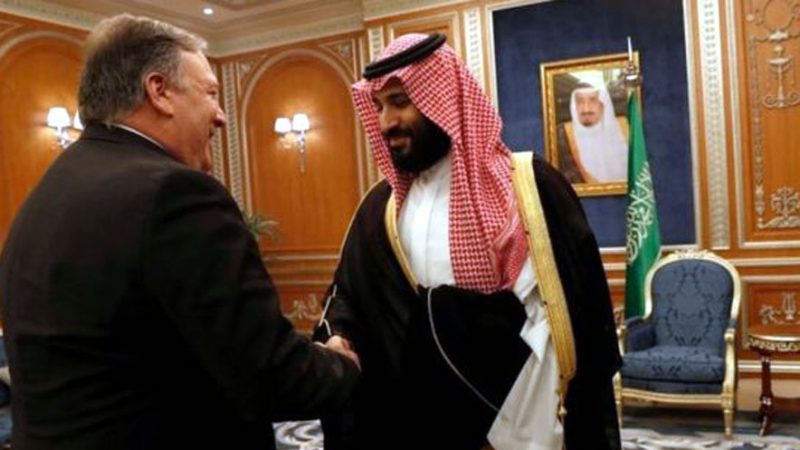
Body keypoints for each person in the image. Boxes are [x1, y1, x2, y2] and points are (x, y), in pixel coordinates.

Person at [0, 14, 359, 450]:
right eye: (210, 93)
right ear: (159, 91)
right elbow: (270, 375)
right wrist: (340, 365)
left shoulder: (49, 191)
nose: (221, 116)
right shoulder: (175, 194)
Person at [315, 33, 621, 450]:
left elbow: (566, 320)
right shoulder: (380, 207)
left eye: (400, 101)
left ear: (444, 99)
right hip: (414, 419)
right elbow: (349, 293)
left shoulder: (528, 189)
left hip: (516, 420)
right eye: (379, 106)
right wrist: (338, 335)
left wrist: (508, 426)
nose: (387, 122)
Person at [556, 82, 629, 183]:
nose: (586, 109)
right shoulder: (562, 135)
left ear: (603, 104)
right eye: (580, 101)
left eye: (593, 100)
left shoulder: (625, 127)